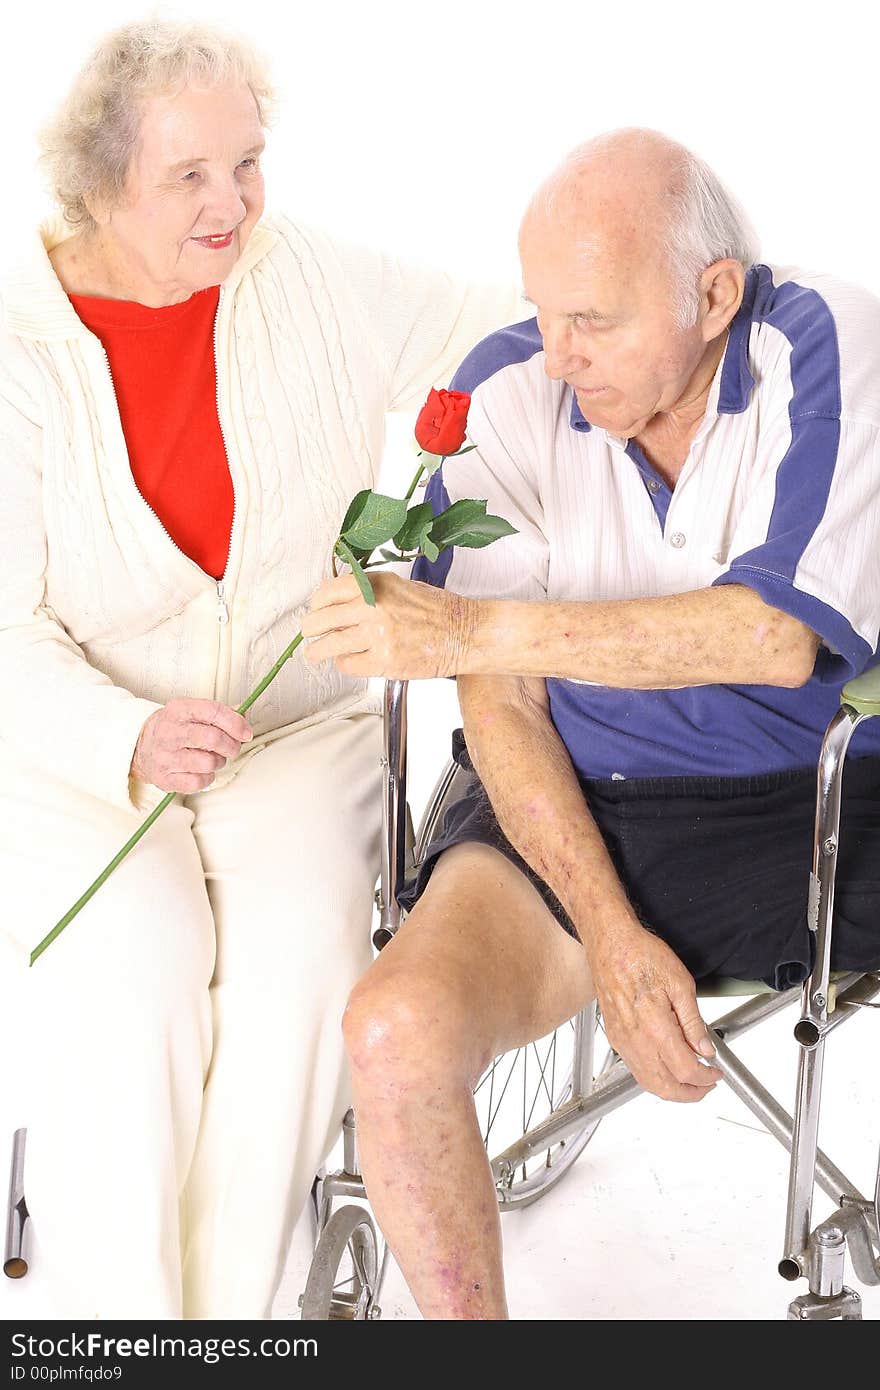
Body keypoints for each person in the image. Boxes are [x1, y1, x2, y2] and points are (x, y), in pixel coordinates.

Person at [303, 128, 880, 1318]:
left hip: (814, 805)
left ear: (713, 294)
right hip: (565, 801)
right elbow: (501, 704)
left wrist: (470, 633)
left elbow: (770, 640)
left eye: (596, 322)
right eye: (542, 312)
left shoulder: (825, 343)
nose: (558, 356)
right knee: (394, 1028)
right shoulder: (508, 387)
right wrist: (609, 933)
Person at [0, 17, 519, 1319]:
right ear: (98, 184)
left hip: (297, 729)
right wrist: (123, 735)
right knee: (136, 960)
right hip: (83, 756)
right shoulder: (16, 351)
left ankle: (235, 1329)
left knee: (299, 969)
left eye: (249, 162)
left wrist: (699, 303)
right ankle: (118, 1326)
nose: (234, 205)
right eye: (189, 177)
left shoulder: (308, 275)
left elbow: (502, 333)